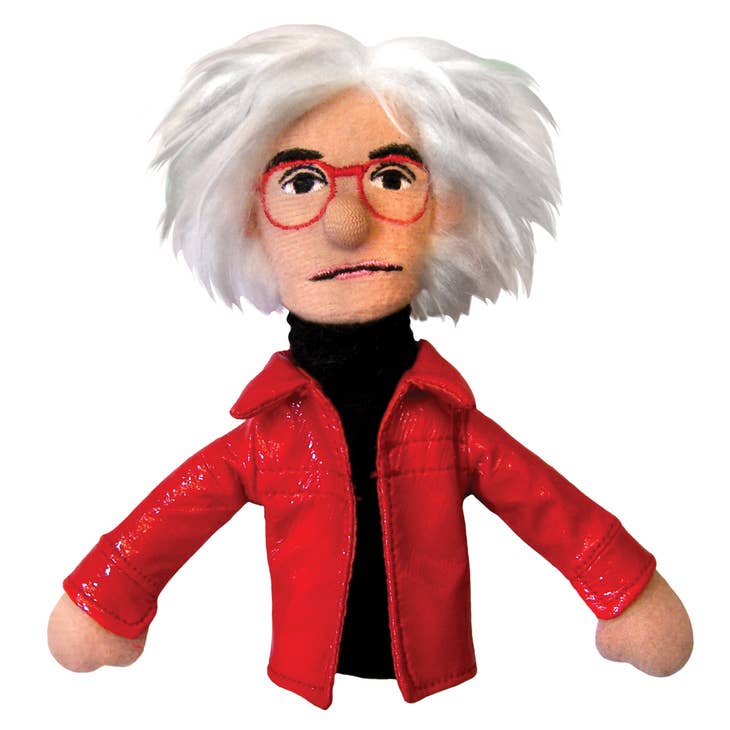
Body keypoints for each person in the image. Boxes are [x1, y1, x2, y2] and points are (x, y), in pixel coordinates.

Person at [48, 25, 692, 709]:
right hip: (294, 686)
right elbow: (176, 510)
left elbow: (548, 504)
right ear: (249, 220)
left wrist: (622, 587)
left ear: (445, 211)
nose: (348, 224)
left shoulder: (447, 423)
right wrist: (108, 593)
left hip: (448, 690)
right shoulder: (271, 434)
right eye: (302, 183)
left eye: (391, 178)